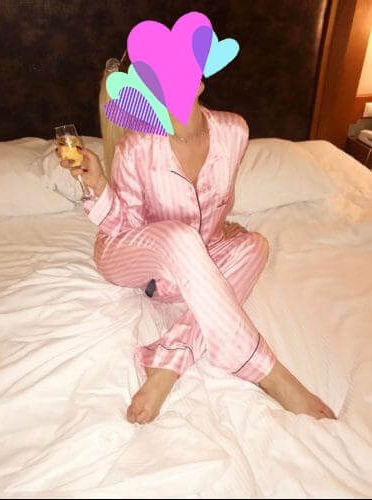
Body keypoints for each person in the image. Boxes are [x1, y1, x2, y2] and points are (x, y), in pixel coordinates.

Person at [57, 53, 336, 424]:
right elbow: (127, 227)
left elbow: (217, 197)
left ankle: (170, 361)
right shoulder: (136, 148)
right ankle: (268, 372)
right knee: (179, 237)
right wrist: (96, 184)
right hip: (128, 253)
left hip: (188, 257)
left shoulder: (234, 131)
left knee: (254, 245)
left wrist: (218, 230)